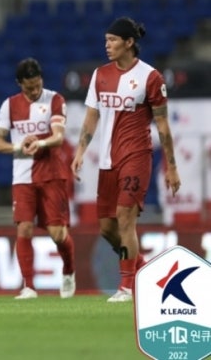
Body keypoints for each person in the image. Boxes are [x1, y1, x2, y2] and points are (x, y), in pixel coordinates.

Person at [71, 17, 181, 303]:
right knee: (107, 229)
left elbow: (164, 127)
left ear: (129, 42)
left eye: (112, 40)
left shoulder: (150, 77)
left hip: (136, 156)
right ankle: (144, 271)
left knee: (124, 219)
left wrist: (171, 166)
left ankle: (127, 287)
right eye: (106, 40)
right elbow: (92, 116)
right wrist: (81, 151)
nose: (107, 45)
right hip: (107, 160)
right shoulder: (99, 75)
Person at [0, 57, 76, 300]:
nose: (34, 90)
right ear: (20, 84)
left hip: (52, 173)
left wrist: (39, 143)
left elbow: (58, 137)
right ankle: (28, 286)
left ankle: (69, 270)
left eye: (37, 84)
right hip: (22, 176)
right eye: (29, 87)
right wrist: (19, 147)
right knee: (24, 228)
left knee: (57, 234)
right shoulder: (9, 106)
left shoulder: (55, 100)